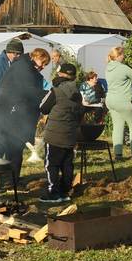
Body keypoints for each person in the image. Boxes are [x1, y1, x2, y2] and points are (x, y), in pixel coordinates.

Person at [0, 48, 50, 183]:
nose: (43, 67)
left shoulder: (27, 67)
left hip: (13, 117)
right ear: (36, 57)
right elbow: (28, 91)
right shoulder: (23, 67)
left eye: (45, 65)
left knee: (15, 148)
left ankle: (11, 182)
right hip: (1, 114)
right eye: (43, 63)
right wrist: (48, 95)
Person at [39, 63, 83, 203]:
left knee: (51, 164)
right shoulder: (77, 94)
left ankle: (53, 193)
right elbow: (79, 113)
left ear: (60, 74)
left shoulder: (55, 91)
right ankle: (65, 192)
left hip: (54, 135)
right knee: (67, 164)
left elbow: (43, 108)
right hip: (70, 134)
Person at [105, 47, 132, 159]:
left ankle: (118, 154)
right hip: (124, 101)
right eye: (122, 55)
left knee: (117, 127)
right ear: (118, 56)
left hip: (111, 101)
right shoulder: (124, 68)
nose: (124, 56)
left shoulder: (108, 67)